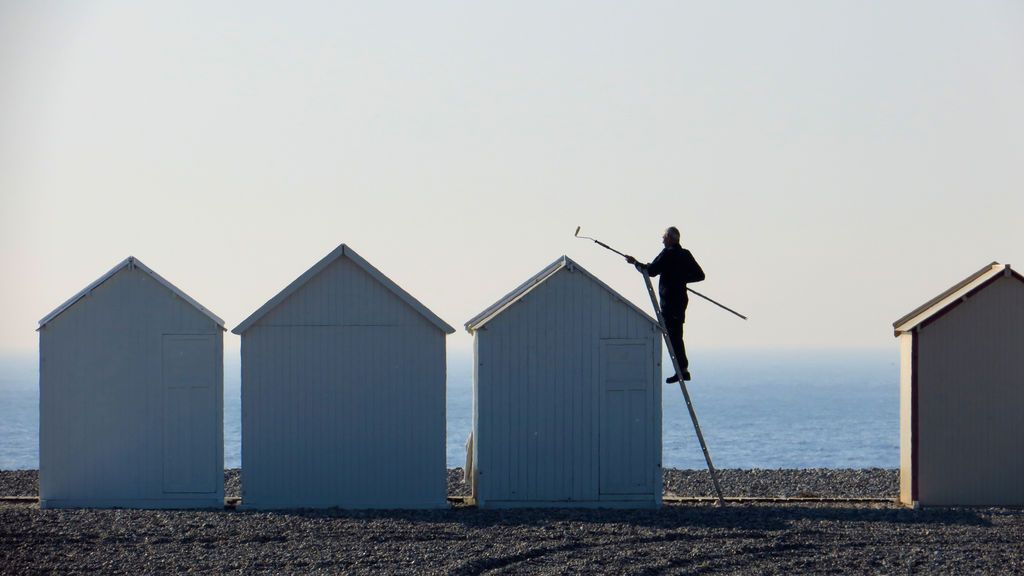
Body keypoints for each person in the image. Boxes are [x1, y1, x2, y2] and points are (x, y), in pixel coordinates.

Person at [626, 226, 704, 383]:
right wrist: (681, 279)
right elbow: (699, 275)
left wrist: (635, 263)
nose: (662, 241)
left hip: (670, 301)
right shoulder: (685, 254)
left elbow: (651, 271)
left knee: (674, 336)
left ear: (669, 238)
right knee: (676, 335)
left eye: (663, 238)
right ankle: (682, 370)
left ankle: (682, 370)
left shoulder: (668, 254)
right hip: (681, 300)